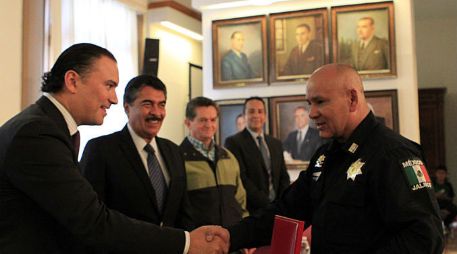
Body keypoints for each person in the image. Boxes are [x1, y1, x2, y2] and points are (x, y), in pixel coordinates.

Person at [0, 43, 228, 254]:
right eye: (109, 86)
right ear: (72, 81)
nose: (114, 99)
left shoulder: (45, 125)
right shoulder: (38, 133)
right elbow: (93, 221)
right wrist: (186, 242)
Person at [227, 64, 444, 253]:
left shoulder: (393, 153)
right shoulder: (326, 156)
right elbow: (287, 210)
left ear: (352, 99)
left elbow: (424, 237)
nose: (312, 113)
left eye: (320, 102)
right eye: (309, 103)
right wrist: (229, 237)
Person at [80, 74, 195, 250]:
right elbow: (92, 218)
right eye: (147, 104)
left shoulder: (174, 151)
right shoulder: (100, 150)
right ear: (127, 108)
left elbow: (183, 211)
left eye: (161, 104)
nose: (156, 113)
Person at [180, 96, 248, 228]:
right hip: (200, 242)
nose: (209, 125)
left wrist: (245, 231)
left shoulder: (228, 157)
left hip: (232, 239)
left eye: (213, 120)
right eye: (203, 120)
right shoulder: (177, 158)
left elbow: (240, 200)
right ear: (188, 123)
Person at [225, 97, 290, 214]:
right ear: (244, 115)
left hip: (278, 209)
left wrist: (281, 202)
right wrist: (267, 204)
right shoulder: (233, 142)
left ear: (265, 116)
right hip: (251, 210)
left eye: (260, 111)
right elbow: (242, 178)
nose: (256, 115)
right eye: (251, 111)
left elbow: (283, 176)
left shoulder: (275, 143)